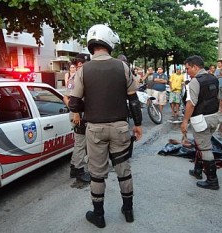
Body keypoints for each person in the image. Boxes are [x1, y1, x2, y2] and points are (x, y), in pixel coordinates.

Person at [68, 24, 142, 228]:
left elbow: (73, 104)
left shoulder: (84, 70)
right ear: (109, 42)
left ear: (91, 44)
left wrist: (90, 104)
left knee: (97, 173)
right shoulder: (123, 67)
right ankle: (128, 211)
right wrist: (138, 124)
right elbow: (133, 100)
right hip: (120, 128)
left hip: (95, 129)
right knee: (123, 169)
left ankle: (98, 215)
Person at [181, 55, 220, 190]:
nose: (187, 72)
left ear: (195, 67)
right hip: (214, 117)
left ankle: (212, 180)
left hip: (201, 120)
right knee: (200, 144)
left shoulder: (194, 82)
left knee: (205, 148)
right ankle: (197, 170)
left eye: (188, 68)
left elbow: (191, 104)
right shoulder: (214, 78)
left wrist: (185, 121)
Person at [158, 135, 222, 170]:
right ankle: (184, 143)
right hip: (220, 144)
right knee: (200, 141)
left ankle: (181, 144)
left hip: (218, 150)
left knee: (196, 148)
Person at [63, 55, 91, 185]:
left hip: (80, 114)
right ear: (80, 64)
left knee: (79, 143)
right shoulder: (75, 78)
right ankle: (79, 172)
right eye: (85, 64)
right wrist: (75, 112)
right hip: (78, 115)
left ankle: (74, 168)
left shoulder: (82, 77)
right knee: (81, 144)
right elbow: (66, 97)